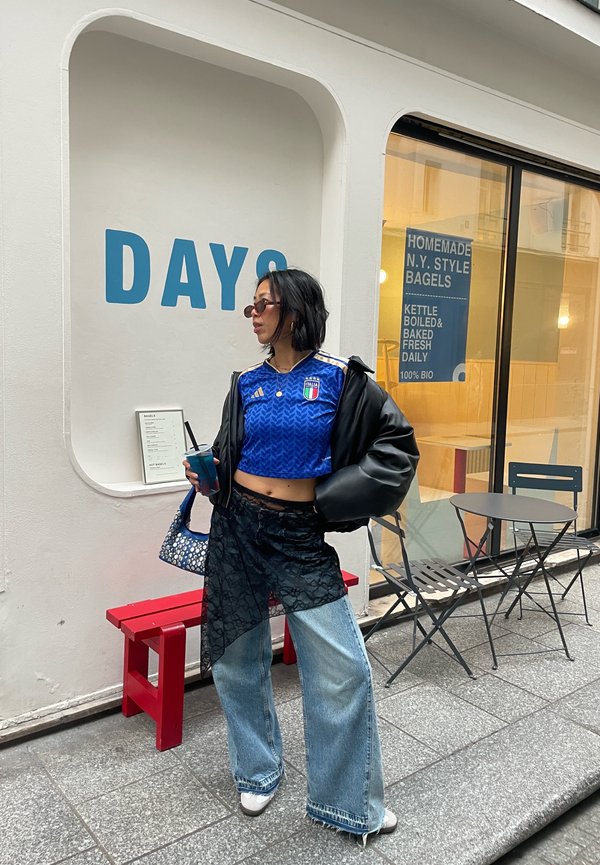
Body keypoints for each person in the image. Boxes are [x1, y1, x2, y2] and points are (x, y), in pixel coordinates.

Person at [184, 268, 419, 841]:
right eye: (252, 306)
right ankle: (259, 771)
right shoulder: (244, 384)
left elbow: (397, 447)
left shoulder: (343, 380)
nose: (255, 314)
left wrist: (334, 502)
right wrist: (206, 472)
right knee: (238, 660)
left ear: (295, 310)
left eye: (264, 304)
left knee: (341, 669)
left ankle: (348, 801)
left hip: (298, 535)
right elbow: (229, 448)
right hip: (236, 527)